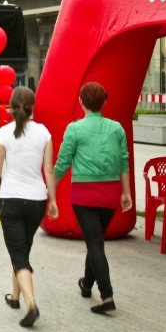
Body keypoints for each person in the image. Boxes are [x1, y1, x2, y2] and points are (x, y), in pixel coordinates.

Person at [0, 87, 57, 328]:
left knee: (18, 254)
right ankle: (14, 297)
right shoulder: (44, 133)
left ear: (11, 106)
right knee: (22, 249)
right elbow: (49, 170)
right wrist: (53, 200)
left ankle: (31, 304)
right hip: (37, 201)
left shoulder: (3, 133)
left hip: (11, 200)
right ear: (33, 106)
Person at [53, 81, 131, 315]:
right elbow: (124, 161)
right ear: (104, 102)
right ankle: (87, 284)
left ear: (81, 102)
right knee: (95, 240)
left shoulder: (74, 129)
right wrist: (126, 192)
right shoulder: (117, 128)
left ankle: (106, 295)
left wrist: (50, 190)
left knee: (94, 243)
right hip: (111, 193)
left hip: (84, 194)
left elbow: (63, 163)